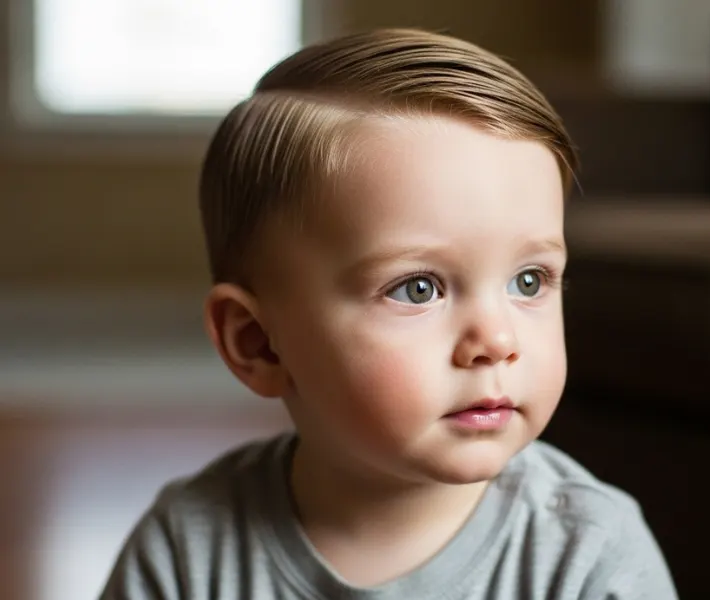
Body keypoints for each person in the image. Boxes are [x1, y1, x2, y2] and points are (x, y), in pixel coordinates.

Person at [100, 28, 678, 599]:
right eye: (418, 289)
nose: (497, 340)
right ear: (259, 344)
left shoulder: (590, 556)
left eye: (529, 281)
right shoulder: (187, 552)